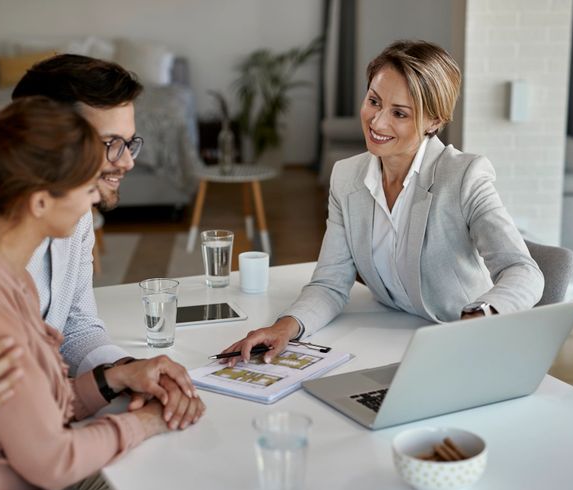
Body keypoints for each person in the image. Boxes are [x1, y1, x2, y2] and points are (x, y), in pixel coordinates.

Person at [0, 55, 202, 490]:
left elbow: (77, 322)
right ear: (49, 143)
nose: (126, 162)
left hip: (21, 441)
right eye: (110, 144)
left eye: (130, 142)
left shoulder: (76, 218)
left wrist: (125, 370)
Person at [222, 40, 545, 364]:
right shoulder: (346, 178)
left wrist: (480, 316)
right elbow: (330, 284)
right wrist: (284, 328)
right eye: (374, 101)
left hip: (465, 348)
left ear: (433, 121)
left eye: (399, 113)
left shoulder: (464, 176)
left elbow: (523, 271)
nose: (377, 122)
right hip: (394, 339)